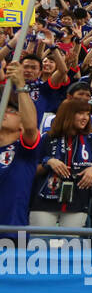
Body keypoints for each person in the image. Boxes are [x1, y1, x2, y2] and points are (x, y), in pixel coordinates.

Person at [32, 99, 92, 228]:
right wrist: (49, 162)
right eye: (80, 113)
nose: (85, 118)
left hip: (77, 201)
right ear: (67, 115)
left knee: (69, 244)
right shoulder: (46, 138)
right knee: (40, 243)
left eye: (87, 113)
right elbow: (31, 170)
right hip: (44, 202)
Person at [0, 62, 42, 231]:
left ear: (21, 122)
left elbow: (31, 126)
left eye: (10, 110)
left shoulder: (24, 150)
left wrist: (21, 85)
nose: (3, 112)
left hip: (11, 231)